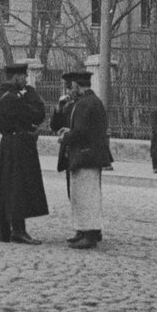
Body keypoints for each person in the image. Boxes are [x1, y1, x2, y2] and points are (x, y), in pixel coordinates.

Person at [0, 63, 48, 244]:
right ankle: (19, 230)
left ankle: (4, 231)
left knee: (5, 187)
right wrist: (31, 94)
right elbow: (37, 115)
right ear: (16, 78)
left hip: (7, 143)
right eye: (24, 77)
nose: (26, 81)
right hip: (19, 146)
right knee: (18, 187)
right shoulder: (13, 98)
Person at [55, 71, 113, 249]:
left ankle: (89, 234)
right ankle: (86, 230)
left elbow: (81, 132)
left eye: (69, 86)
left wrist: (65, 136)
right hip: (90, 154)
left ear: (75, 86)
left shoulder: (85, 104)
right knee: (84, 193)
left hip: (86, 154)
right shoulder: (91, 101)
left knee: (86, 195)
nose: (68, 90)